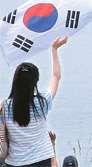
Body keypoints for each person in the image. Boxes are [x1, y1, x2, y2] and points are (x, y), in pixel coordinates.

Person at [0, 36, 68, 166]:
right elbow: (56, 77)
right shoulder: (42, 103)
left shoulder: (5, 107)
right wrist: (54, 50)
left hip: (15, 162)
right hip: (41, 160)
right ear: (35, 82)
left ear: (15, 82)